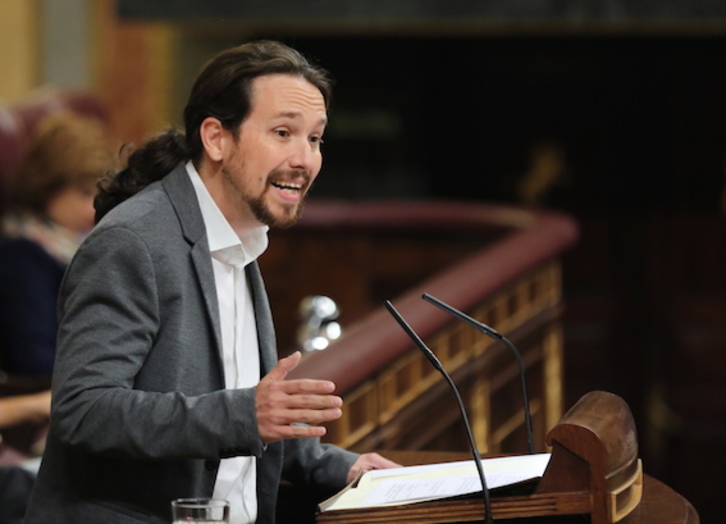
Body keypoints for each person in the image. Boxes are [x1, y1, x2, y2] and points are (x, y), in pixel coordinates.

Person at [25, 40, 397, 524]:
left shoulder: (240, 236)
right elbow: (84, 410)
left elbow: (245, 418)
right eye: (283, 132)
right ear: (217, 139)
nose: (304, 159)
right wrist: (246, 416)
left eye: (315, 139)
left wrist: (345, 468)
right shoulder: (132, 243)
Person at [0, 110, 117, 376]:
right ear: (48, 184)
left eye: (101, 193)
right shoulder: (22, 257)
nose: (93, 208)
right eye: (83, 193)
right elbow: (36, 361)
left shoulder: (91, 243)